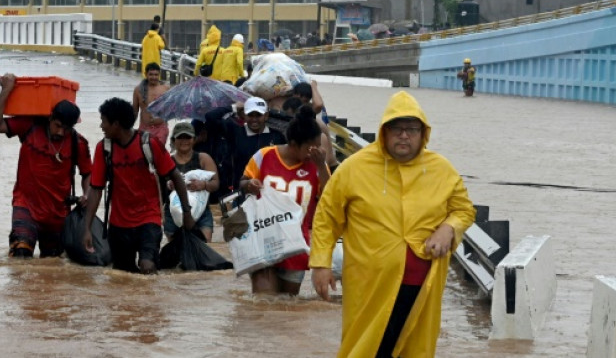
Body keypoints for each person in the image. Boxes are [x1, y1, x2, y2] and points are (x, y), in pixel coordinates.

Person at [309, 91, 476, 358]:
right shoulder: (354, 169)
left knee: (413, 348)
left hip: (421, 285)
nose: (404, 135)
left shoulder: (441, 170)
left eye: (412, 129)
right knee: (365, 348)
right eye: (396, 128)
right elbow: (326, 218)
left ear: (423, 134)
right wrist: (320, 263)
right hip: (369, 285)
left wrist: (449, 229)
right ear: (383, 131)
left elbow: (464, 210)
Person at [81, 97, 194, 274]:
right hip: (118, 223)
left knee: (147, 267)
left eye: (103, 121)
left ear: (116, 124)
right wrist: (87, 228)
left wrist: (187, 212)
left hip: (149, 218)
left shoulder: (149, 144)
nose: (101, 126)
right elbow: (96, 189)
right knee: (122, 276)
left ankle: (151, 301)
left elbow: (176, 177)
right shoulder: (103, 149)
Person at [0, 73, 93, 258]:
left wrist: (87, 194)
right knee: (20, 254)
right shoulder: (29, 126)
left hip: (58, 216)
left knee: (51, 268)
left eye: (66, 129)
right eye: (58, 125)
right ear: (50, 118)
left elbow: (88, 174)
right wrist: (6, 90)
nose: (61, 132)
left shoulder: (79, 143)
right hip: (25, 206)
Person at [240, 105, 329, 295]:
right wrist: (249, 185)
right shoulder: (264, 156)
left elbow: (330, 198)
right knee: (264, 300)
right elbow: (243, 183)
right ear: (294, 144)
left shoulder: (317, 166)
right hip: (263, 238)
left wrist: (321, 166)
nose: (315, 152)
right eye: (310, 148)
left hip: (296, 245)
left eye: (318, 146)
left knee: (286, 306)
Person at [204, 96, 286, 198]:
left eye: (258, 115)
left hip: (270, 194)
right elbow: (210, 117)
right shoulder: (235, 132)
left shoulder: (277, 136)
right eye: (250, 115)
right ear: (244, 115)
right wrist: (234, 107)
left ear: (266, 115)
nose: (254, 119)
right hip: (241, 194)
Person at [164, 122, 218, 242]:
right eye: (180, 137)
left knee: (204, 247)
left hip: (201, 211)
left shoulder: (203, 158)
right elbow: (157, 187)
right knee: (176, 252)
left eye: (187, 137)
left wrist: (203, 185)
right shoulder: (167, 160)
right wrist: (168, 185)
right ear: (173, 140)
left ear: (193, 139)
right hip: (173, 213)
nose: (184, 141)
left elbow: (216, 183)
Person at [132, 62, 170, 145]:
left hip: (161, 129)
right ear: (146, 74)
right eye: (151, 74)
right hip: (144, 129)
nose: (154, 77)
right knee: (143, 154)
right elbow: (135, 111)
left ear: (159, 74)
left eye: (156, 75)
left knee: (157, 153)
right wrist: (128, 127)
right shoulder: (138, 90)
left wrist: (161, 119)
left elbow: (170, 110)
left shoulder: (165, 89)